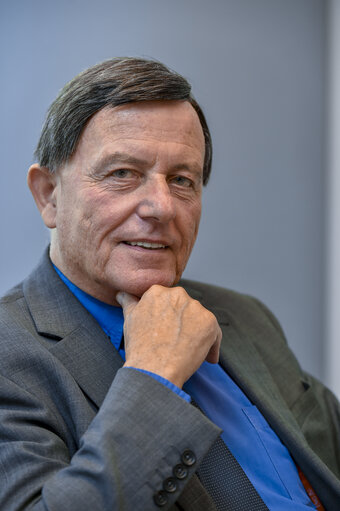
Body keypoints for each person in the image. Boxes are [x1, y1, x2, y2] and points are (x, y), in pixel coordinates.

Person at [0, 57, 339, 511]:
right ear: (49, 195)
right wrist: (155, 377)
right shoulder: (10, 355)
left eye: (182, 180)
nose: (161, 207)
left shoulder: (244, 316)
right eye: (122, 173)